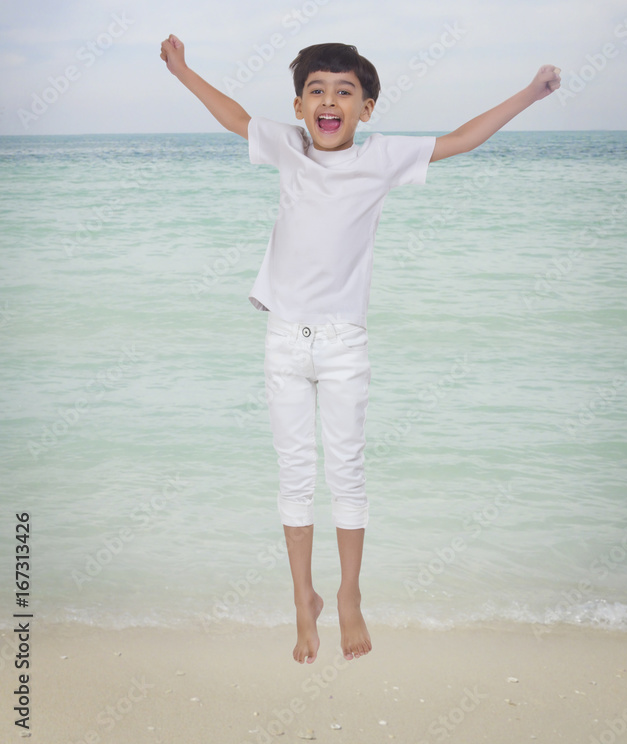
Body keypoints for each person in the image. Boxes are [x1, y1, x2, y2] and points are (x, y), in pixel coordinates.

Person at [160, 33, 560, 664]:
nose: (329, 100)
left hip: (345, 345)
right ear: (299, 105)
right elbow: (233, 115)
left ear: (366, 109)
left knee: (346, 473)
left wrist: (531, 95)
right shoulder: (289, 150)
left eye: (345, 92)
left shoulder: (382, 159)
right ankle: (302, 599)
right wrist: (183, 70)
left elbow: (460, 138)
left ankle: (348, 595)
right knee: (294, 475)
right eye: (316, 90)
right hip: (285, 340)